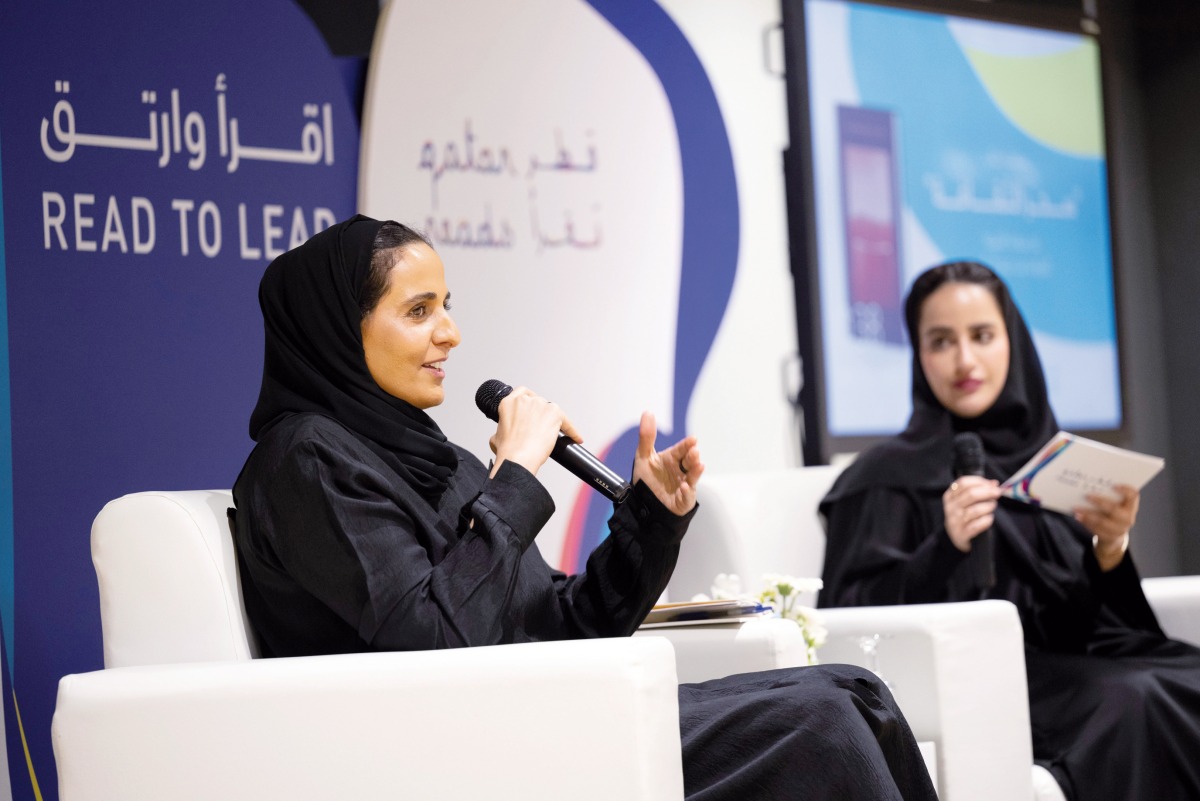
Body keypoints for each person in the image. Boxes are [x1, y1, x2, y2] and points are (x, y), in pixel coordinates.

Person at [231, 214, 938, 801]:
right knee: (821, 722)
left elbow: (567, 625)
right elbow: (435, 650)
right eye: (419, 311)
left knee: (856, 691)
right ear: (337, 331)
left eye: (447, 306)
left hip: (538, 713)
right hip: (455, 756)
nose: (449, 333)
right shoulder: (304, 461)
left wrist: (652, 520)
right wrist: (514, 477)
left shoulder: (434, 458)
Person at [818, 260, 1200, 800]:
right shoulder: (882, 478)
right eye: (941, 341)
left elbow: (1090, 625)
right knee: (1135, 698)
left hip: (1075, 663)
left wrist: (1109, 549)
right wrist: (945, 547)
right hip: (981, 682)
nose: (964, 360)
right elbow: (848, 620)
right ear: (918, 354)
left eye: (981, 336)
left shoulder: (1051, 460)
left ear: (1012, 342)